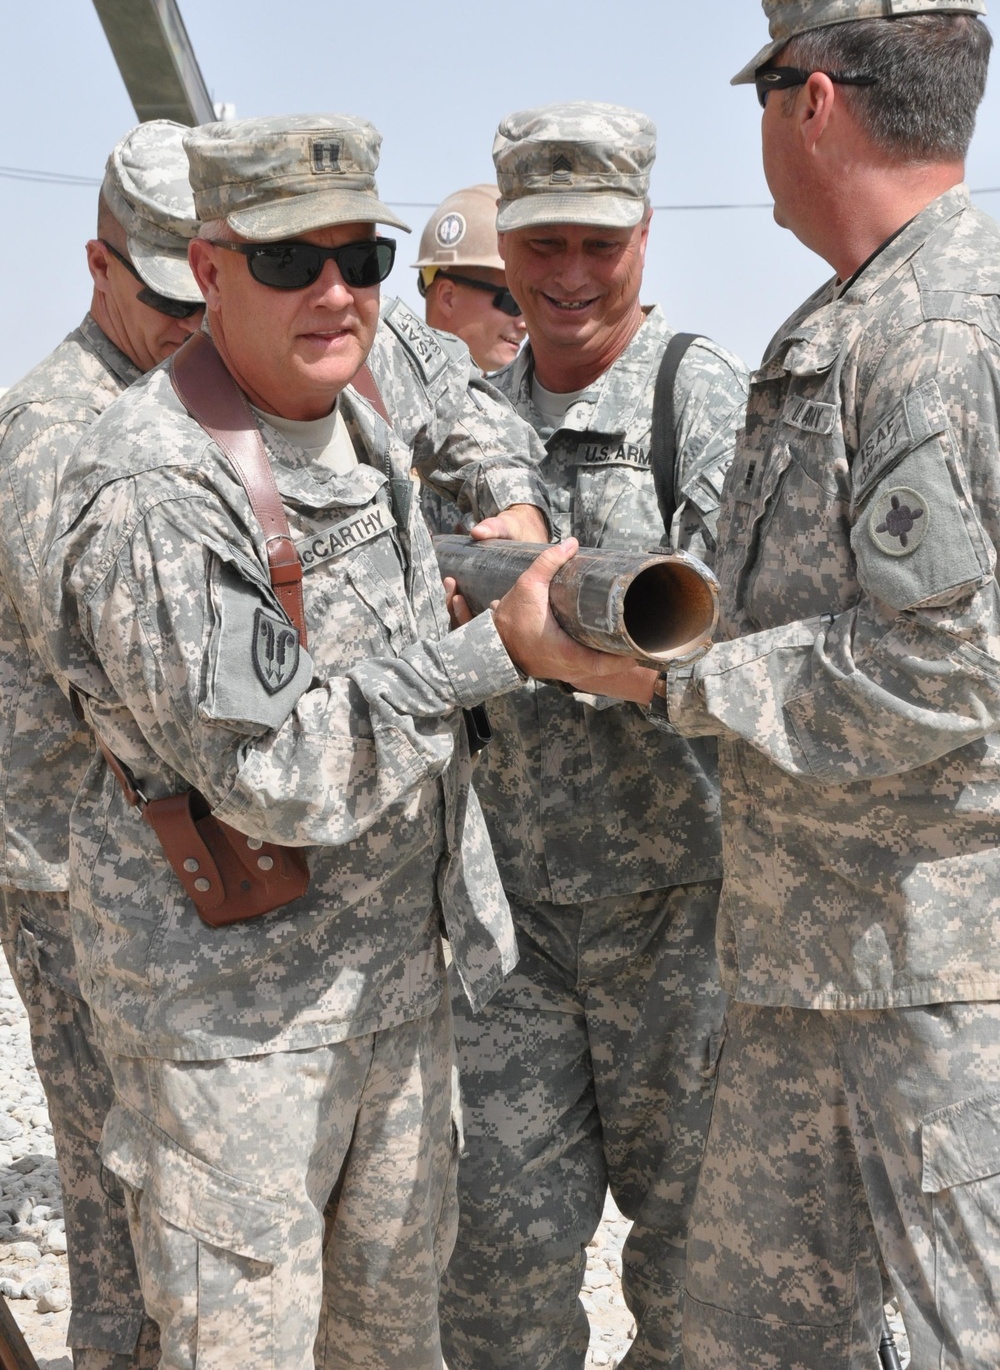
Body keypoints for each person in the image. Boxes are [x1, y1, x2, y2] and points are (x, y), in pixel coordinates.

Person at [38, 111, 648, 1370]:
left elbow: (459, 417)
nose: (335, 294)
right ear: (207, 273)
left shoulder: (349, 407)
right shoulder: (151, 486)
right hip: (237, 1041)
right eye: (286, 263)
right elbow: (275, 773)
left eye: (358, 260)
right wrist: (497, 651)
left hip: (389, 1005)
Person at [652, 0, 1000, 1370]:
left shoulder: (934, 327)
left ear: (813, 97)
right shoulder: (854, 316)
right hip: (820, 969)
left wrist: (688, 679)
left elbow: (953, 663)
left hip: (934, 997)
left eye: (760, 97)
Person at [438, 101, 749, 1370]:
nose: (569, 277)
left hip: (680, 920)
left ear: (644, 236)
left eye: (598, 245)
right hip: (512, 927)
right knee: (496, 1275)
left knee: (700, 1270)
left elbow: (733, 643)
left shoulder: (697, 396)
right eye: (543, 243)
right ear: (505, 246)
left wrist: (549, 636)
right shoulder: (468, 426)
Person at [0, 118, 206, 1370]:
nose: (195, 319)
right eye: (168, 295)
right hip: (78, 878)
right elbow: (117, 671)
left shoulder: (172, 399)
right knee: (121, 1205)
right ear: (98, 266)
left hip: (160, 867)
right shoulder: (54, 433)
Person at [415, 184, 526, 374]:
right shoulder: (381, 393)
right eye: (512, 303)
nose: (524, 324)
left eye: (527, 304)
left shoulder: (494, 401)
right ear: (448, 298)